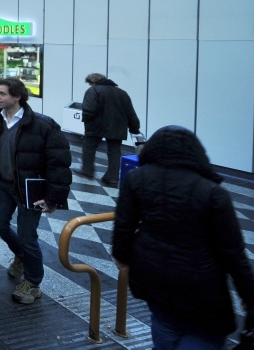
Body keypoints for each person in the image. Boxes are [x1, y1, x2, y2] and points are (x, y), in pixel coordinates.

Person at [113, 126, 254, 350]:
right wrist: (248, 295)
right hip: (202, 290)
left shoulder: (136, 179)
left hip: (153, 279)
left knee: (164, 327)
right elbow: (232, 252)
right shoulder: (212, 192)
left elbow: (123, 226)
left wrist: (121, 257)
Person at [0, 78, 72, 304]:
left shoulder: (42, 125)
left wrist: (53, 198)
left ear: (17, 96)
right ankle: (21, 255)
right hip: (1, 184)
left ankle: (33, 282)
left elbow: (58, 163)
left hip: (29, 190)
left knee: (27, 235)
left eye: (2, 94)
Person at [79, 73, 141, 188]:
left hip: (96, 126)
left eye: (90, 83)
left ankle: (87, 171)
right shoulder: (122, 93)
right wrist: (135, 127)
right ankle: (112, 178)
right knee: (114, 152)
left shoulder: (93, 91)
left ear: (93, 82)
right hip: (117, 127)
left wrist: (86, 121)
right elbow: (130, 113)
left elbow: (89, 110)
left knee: (89, 147)